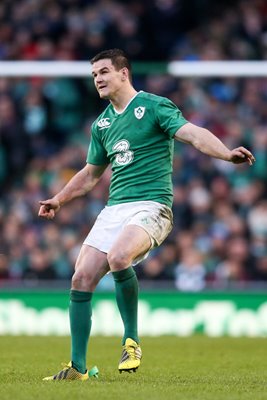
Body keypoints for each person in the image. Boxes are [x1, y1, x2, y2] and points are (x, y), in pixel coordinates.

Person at [38, 48, 255, 381]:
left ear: (124, 73)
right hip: (115, 209)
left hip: (152, 205)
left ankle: (132, 340)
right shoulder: (102, 124)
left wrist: (226, 154)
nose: (98, 79)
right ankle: (78, 368)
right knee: (80, 278)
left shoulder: (154, 106)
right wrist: (59, 199)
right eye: (94, 74)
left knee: (119, 255)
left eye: (104, 71)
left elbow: (193, 134)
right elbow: (91, 174)